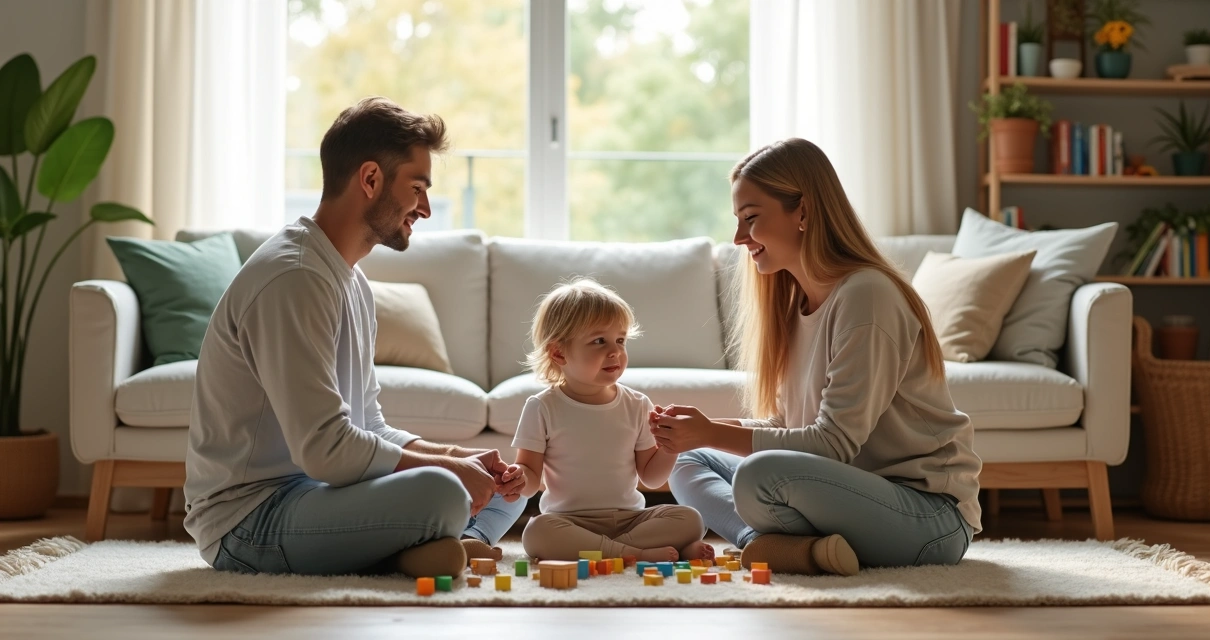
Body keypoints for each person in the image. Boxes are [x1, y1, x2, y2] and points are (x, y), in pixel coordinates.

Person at [183, 97, 527, 578]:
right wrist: (449, 473)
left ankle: (442, 544)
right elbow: (327, 451)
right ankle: (431, 541)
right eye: (417, 187)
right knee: (445, 492)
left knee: (511, 484)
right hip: (250, 521)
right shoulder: (294, 278)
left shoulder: (351, 280)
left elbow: (370, 428)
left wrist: (457, 457)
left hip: (318, 498)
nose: (425, 208)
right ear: (370, 180)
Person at [651, 138, 982, 576]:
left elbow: (832, 444)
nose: (737, 238)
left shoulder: (867, 295)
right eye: (737, 221)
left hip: (928, 517)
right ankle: (773, 547)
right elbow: (790, 428)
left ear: (803, 212)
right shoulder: (796, 305)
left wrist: (712, 430)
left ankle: (774, 543)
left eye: (751, 218)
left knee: (759, 476)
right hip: (845, 496)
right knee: (690, 461)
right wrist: (699, 433)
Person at [512, 278, 714, 562]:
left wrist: (671, 445)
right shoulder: (542, 407)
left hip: (631, 519)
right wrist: (518, 478)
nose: (615, 351)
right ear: (558, 352)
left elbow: (652, 478)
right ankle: (638, 552)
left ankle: (611, 551)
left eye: (620, 340)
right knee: (536, 533)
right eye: (599, 341)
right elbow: (531, 479)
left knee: (690, 518)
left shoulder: (636, 404)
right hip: (569, 520)